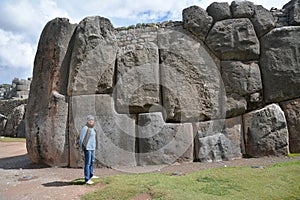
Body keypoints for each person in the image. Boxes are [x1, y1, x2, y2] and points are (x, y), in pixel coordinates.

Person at [78, 115, 98, 184]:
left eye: (92, 120)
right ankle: (87, 179)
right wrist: (82, 147)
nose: (91, 121)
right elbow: (81, 139)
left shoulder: (93, 128)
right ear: (87, 121)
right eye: (90, 120)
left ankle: (91, 175)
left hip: (93, 147)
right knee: (88, 163)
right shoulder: (85, 128)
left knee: (92, 162)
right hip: (88, 148)